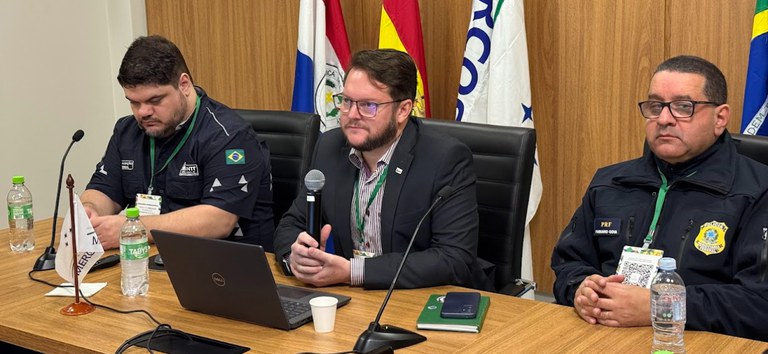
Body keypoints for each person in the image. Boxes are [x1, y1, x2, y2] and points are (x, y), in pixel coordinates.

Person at [551, 55, 768, 341]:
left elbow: (759, 304)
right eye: (655, 106)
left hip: (700, 342)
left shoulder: (758, 191)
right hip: (602, 337)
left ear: (720, 118)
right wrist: (581, 289)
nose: (664, 119)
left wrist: (662, 305)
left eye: (683, 107)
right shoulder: (609, 182)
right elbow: (569, 264)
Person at [273, 49, 490, 290]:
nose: (352, 115)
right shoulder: (329, 147)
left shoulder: (445, 159)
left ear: (403, 110)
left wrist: (352, 272)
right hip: (356, 299)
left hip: (425, 300)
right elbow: (291, 223)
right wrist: (295, 258)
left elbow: (454, 259)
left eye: (368, 105)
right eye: (346, 101)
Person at [81, 35, 274, 251]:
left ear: (184, 85)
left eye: (155, 100)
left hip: (227, 263)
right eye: (134, 102)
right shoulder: (127, 131)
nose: (143, 112)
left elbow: (219, 220)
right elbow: (104, 188)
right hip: (155, 257)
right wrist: (90, 210)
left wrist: (136, 228)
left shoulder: (229, 135)